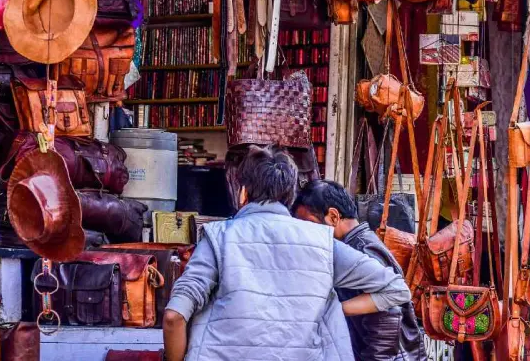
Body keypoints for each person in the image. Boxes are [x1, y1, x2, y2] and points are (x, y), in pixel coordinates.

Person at [162, 146, 411, 361]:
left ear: (243, 193)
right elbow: (396, 289)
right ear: (289, 197)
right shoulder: (322, 242)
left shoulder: (218, 238)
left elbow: (174, 316)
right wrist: (332, 309)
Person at [293, 180, 425, 360]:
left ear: (333, 216)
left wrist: (334, 310)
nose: (306, 233)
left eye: (309, 224)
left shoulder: (361, 251)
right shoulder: (359, 244)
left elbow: (386, 325)